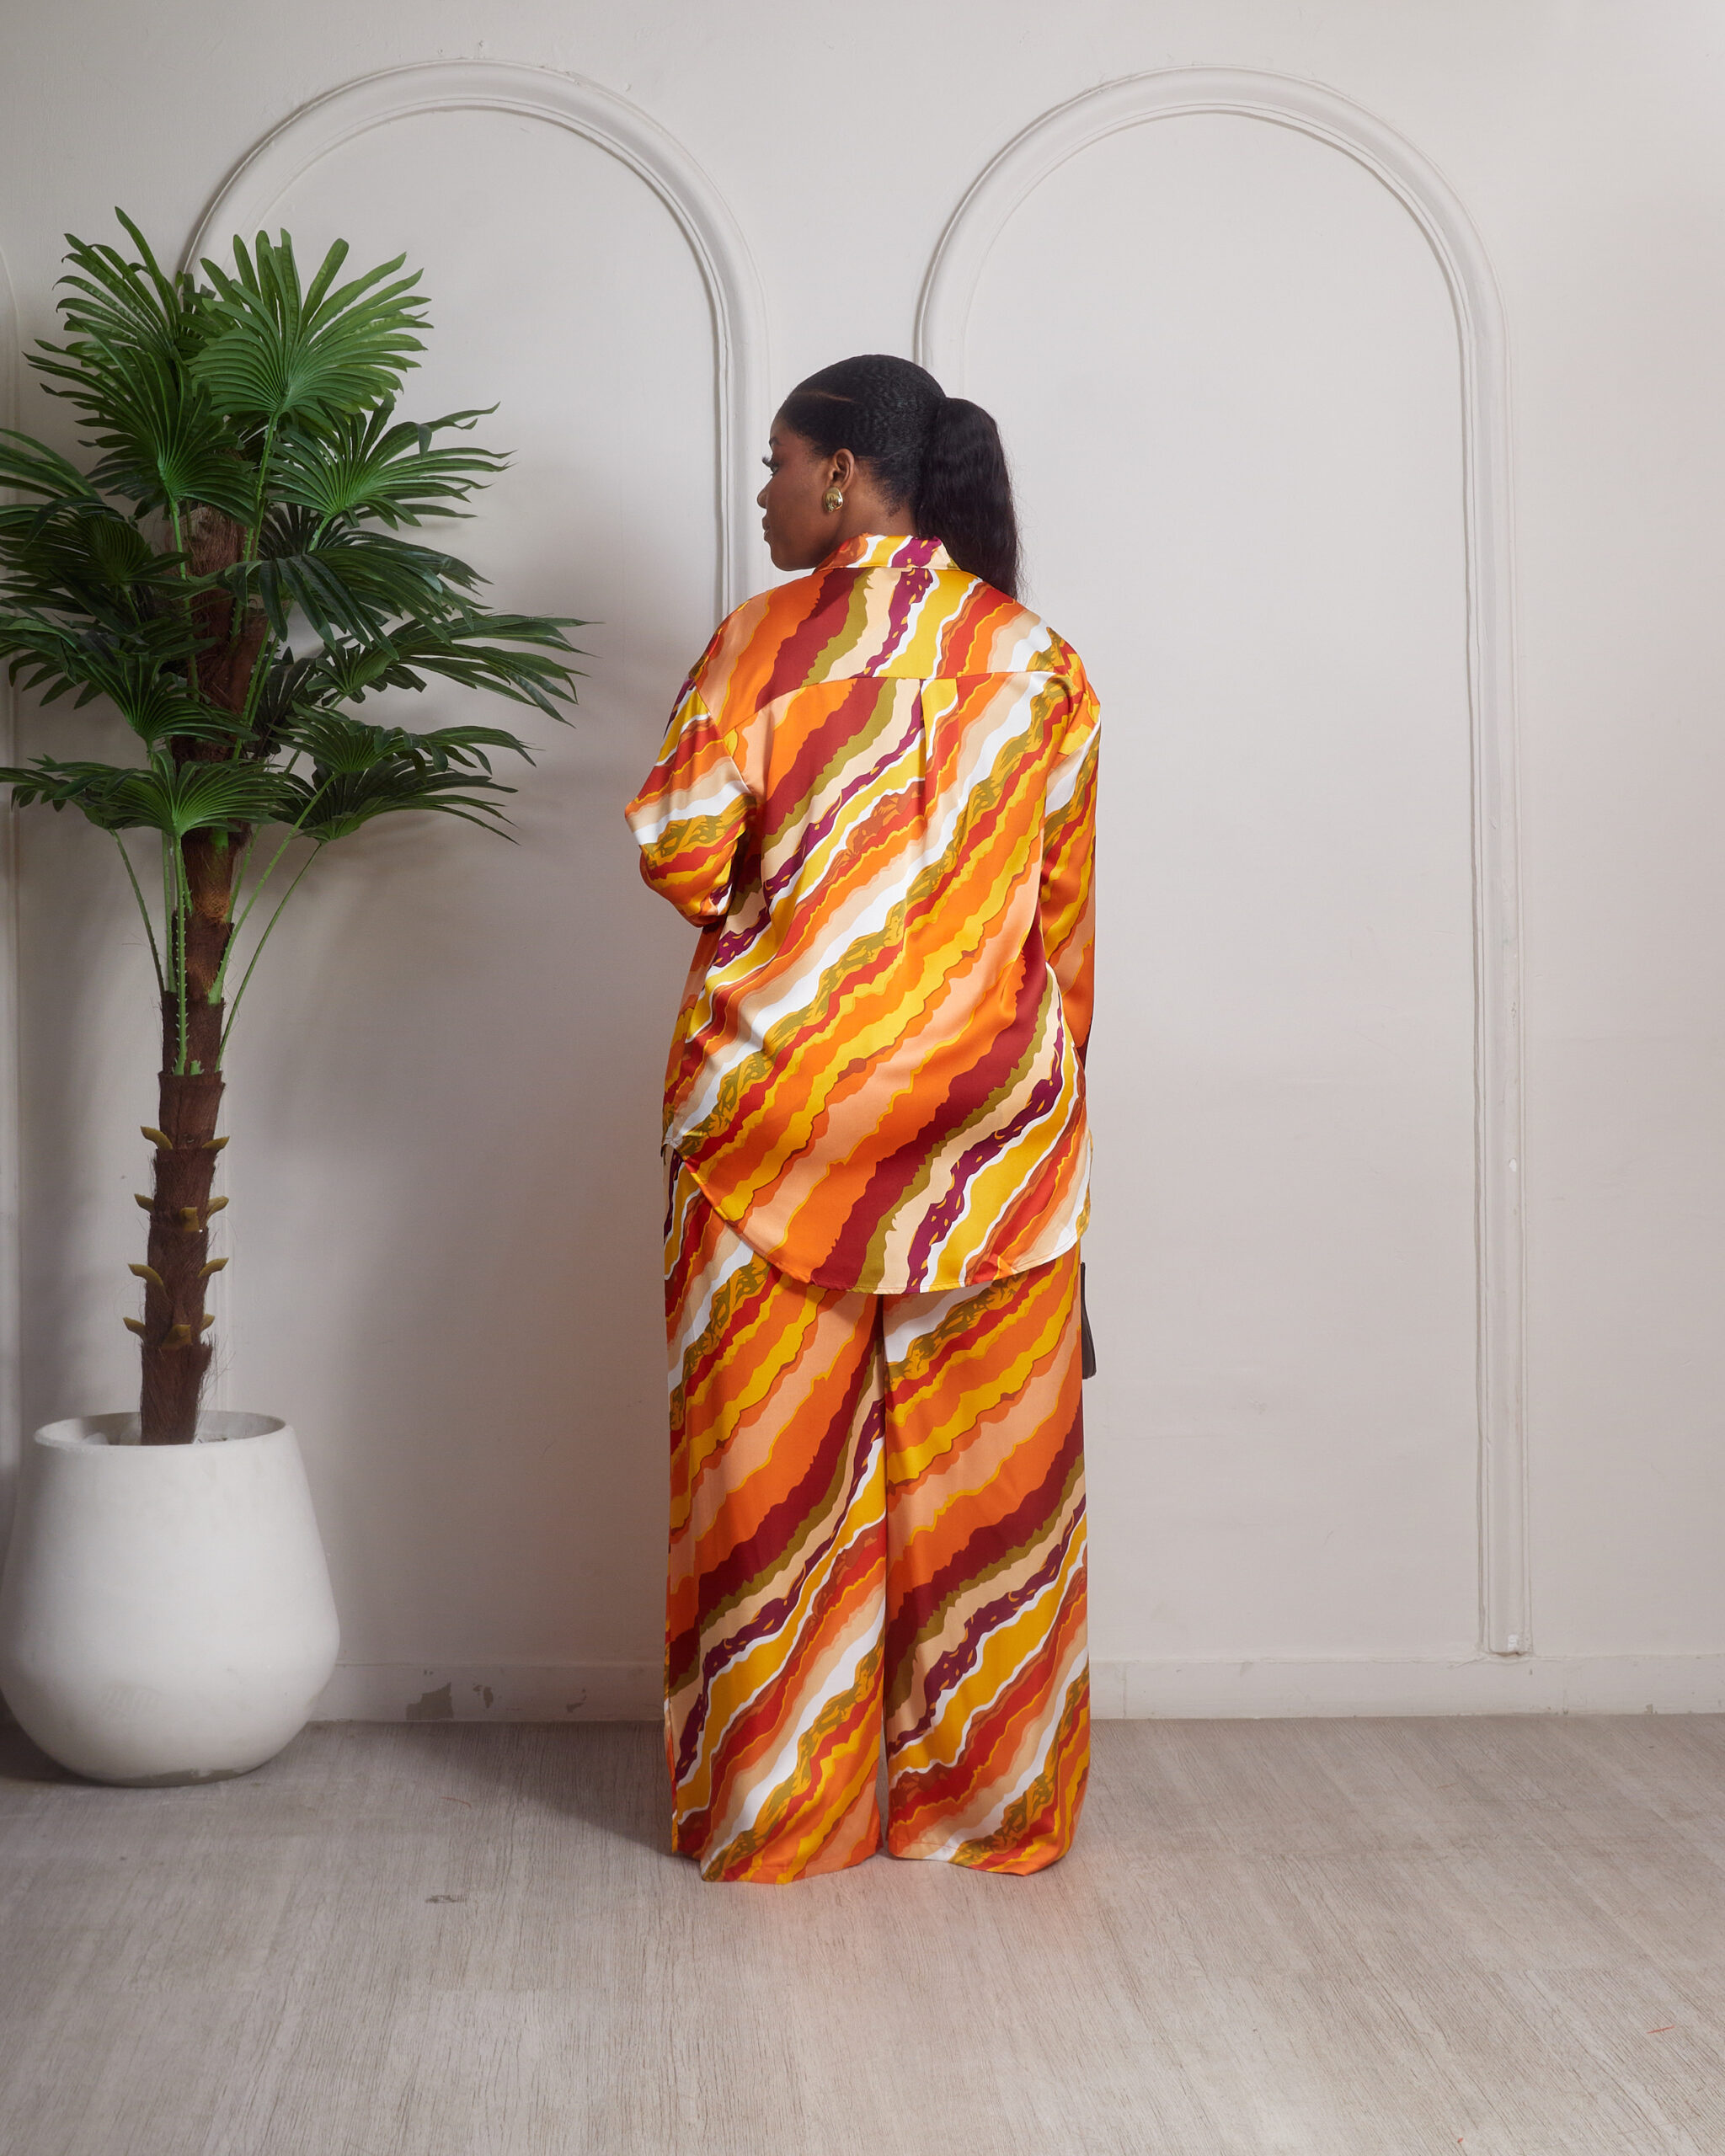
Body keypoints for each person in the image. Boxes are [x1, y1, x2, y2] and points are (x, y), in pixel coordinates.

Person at [624, 354, 1099, 1883]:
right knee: (992, 1497)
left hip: (770, 1126)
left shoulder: (758, 645)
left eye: (777, 463)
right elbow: (1064, 930)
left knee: (771, 1490)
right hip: (991, 1139)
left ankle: (781, 1815)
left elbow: (684, 861)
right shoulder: (1036, 659)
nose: (762, 492)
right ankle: (991, 1810)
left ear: (841, 477)